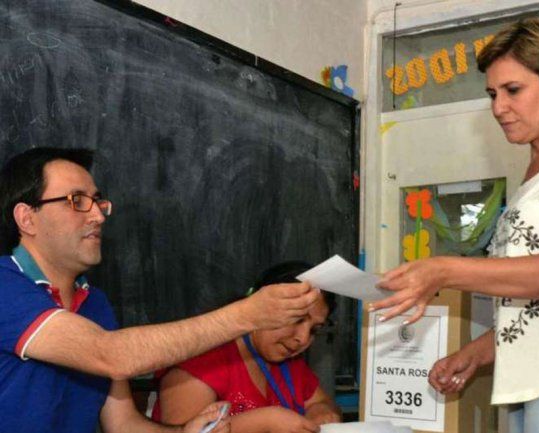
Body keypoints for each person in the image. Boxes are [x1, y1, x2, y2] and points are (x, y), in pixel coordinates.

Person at [370, 19, 539, 433]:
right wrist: (477, 353)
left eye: (513, 90)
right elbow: (537, 305)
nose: (499, 107)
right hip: (531, 383)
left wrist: (445, 269)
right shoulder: (536, 171)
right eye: (493, 94)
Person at [0, 147, 320, 433]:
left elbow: (124, 424)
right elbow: (109, 354)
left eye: (97, 201)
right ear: (27, 218)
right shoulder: (5, 284)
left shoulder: (95, 303)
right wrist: (249, 314)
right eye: (77, 201)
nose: (98, 215)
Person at [155, 261, 341, 433]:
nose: (303, 338)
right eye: (297, 319)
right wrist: (265, 421)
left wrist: (321, 411)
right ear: (263, 307)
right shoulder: (201, 359)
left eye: (314, 329)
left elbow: (321, 402)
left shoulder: (288, 360)